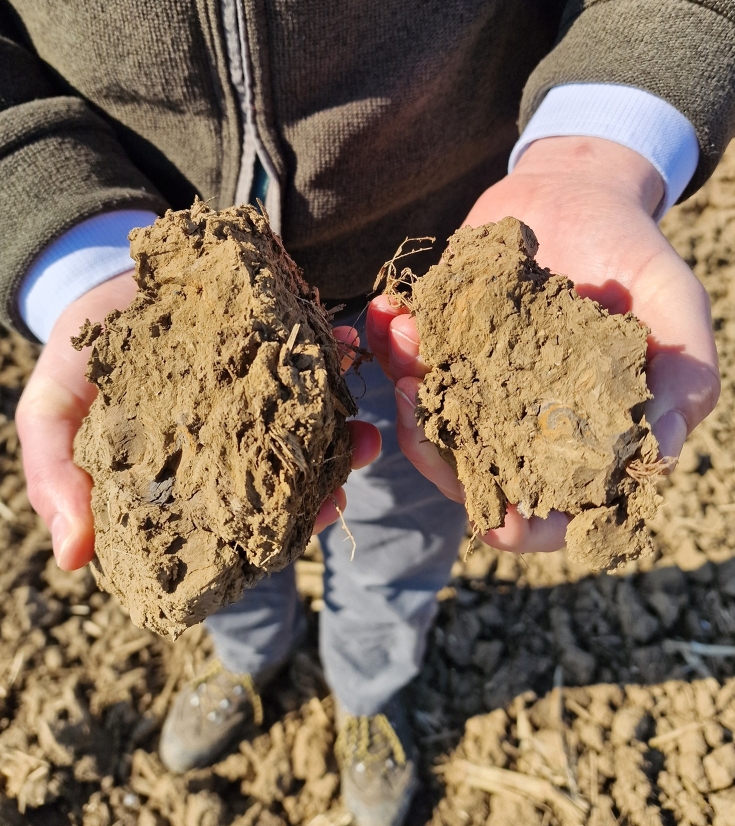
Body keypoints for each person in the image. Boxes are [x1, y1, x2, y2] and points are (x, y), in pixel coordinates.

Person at [3, 2, 731, 823]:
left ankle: (369, 695)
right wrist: (69, 249)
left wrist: (599, 148)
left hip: (427, 314)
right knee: (211, 534)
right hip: (155, 301)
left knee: (398, 542)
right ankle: (244, 661)